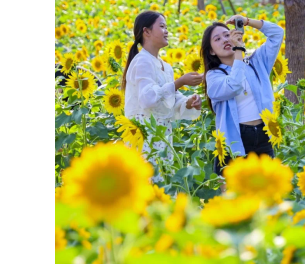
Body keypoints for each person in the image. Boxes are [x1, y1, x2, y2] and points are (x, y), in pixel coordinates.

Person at [201, 15, 284, 176]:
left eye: (227, 35)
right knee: (232, 194)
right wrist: (239, 50)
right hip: (234, 139)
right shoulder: (213, 76)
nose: (225, 40)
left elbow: (277, 34)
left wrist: (247, 21)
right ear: (211, 50)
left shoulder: (256, 62)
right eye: (217, 39)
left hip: (263, 134)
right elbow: (234, 85)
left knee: (265, 190)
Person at [122, 10, 204, 173]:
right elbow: (148, 99)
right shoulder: (142, 61)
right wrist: (180, 82)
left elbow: (169, 102)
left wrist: (189, 102)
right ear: (146, 31)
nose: (167, 31)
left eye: (166, 27)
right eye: (162, 26)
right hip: (143, 140)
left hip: (163, 140)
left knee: (164, 187)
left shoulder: (166, 66)